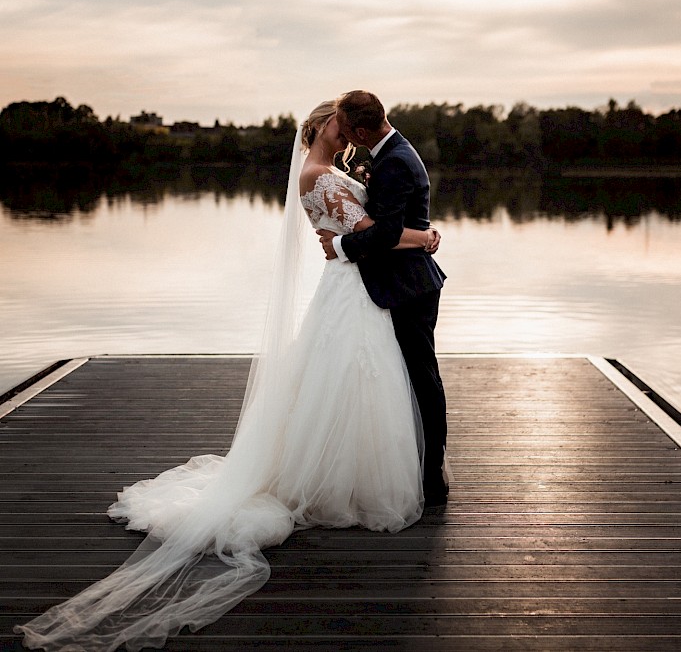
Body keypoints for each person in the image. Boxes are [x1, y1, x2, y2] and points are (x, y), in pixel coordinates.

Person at [14, 101, 441, 651]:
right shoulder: (317, 176)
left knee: (359, 383)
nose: (343, 131)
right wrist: (424, 238)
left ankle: (354, 471)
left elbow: (360, 233)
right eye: (337, 123)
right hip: (352, 290)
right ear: (321, 129)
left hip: (356, 289)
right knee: (352, 380)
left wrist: (361, 238)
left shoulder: (333, 172)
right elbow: (370, 234)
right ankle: (341, 480)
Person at [319, 90, 450, 506]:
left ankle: (432, 478)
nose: (345, 138)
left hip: (409, 285)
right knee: (409, 377)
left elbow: (388, 233)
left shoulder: (394, 160)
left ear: (360, 129)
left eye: (347, 129)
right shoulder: (393, 150)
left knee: (422, 378)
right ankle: (420, 468)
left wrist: (338, 247)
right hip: (405, 280)